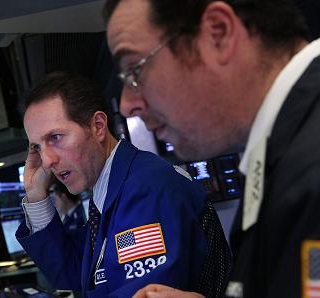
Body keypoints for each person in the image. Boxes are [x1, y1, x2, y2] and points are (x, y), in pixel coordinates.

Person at [103, 0, 320, 297]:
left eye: (135, 71)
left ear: (218, 33)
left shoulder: (310, 167)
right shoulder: (285, 149)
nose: (128, 105)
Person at [15, 72, 231, 297]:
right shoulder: (110, 191)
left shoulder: (144, 189)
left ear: (98, 126)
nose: (47, 161)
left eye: (55, 137)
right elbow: (71, 272)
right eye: (37, 147)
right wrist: (35, 194)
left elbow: (145, 293)